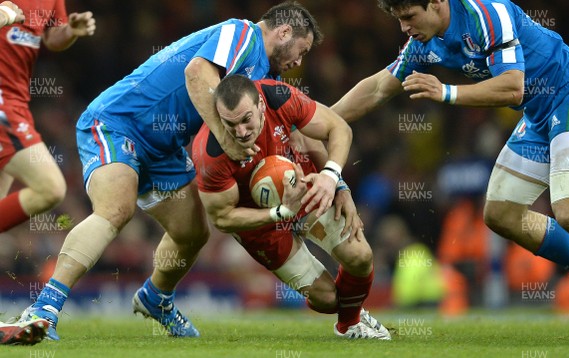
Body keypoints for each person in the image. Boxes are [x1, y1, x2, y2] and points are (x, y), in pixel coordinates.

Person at [16, 1, 324, 341]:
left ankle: (156, 297)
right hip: (119, 122)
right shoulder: (241, 34)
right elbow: (195, 73)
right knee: (116, 209)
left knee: (193, 233)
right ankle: (44, 306)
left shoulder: (266, 76)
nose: (300, 61)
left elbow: (287, 128)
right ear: (283, 32)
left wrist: (326, 179)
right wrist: (226, 138)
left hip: (165, 148)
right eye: (302, 49)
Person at [331, 0, 569, 336]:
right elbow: (379, 87)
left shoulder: (488, 13)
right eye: (399, 20)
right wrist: (320, 119)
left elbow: (512, 85)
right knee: (501, 214)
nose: (404, 28)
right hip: (537, 115)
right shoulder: (424, 43)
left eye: (410, 17)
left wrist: (445, 91)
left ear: (437, 3)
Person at [193, 74, 391, 340]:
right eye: (230, 124)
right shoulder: (210, 154)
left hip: (303, 189)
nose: (241, 132)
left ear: (260, 106)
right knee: (327, 299)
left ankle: (349, 324)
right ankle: (350, 313)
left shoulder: (278, 97)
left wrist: (336, 182)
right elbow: (222, 218)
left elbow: (339, 128)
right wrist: (280, 213)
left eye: (246, 120)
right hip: (259, 224)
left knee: (360, 256)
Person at [0, 1, 95, 232]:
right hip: (3, 105)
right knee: (50, 188)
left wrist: (70, 31)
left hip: (18, 102)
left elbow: (51, 37)